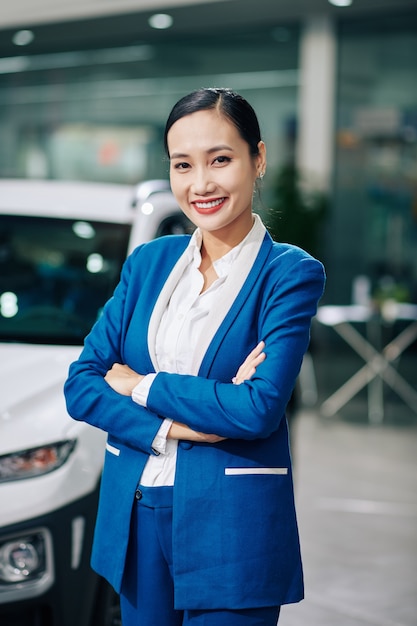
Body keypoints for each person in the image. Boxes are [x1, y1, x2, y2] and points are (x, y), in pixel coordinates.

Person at [64, 87, 325, 626]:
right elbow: (82, 385)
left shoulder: (289, 273)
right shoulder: (148, 263)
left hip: (233, 525)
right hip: (136, 517)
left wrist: (140, 384)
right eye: (182, 165)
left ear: (259, 159)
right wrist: (176, 427)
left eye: (221, 159)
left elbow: (257, 409)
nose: (200, 184)